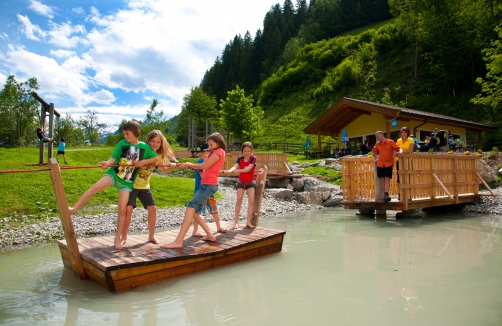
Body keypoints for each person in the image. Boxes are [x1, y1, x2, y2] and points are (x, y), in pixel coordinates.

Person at [69, 121, 159, 250]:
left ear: (135, 133)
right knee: (95, 187)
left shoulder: (144, 147)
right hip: (114, 174)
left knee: (122, 210)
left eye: (127, 133)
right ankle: (74, 209)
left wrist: (144, 161)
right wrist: (107, 163)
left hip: (127, 182)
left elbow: (155, 158)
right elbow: (112, 159)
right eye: (124, 133)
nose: (125, 136)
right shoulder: (122, 144)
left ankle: (117, 239)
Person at [161, 132, 226, 249]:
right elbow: (201, 165)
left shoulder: (219, 152)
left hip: (208, 185)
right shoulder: (213, 154)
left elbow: (205, 167)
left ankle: (178, 241)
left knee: (190, 208)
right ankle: (210, 235)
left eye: (211, 144)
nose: (209, 147)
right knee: (195, 213)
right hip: (206, 185)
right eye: (209, 145)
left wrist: (189, 164)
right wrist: (184, 165)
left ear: (218, 142)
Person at [124, 130, 177, 244]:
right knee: (128, 210)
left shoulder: (158, 156)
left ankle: (151, 236)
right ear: (148, 141)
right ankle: (124, 236)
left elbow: (164, 171)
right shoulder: (140, 151)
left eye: (158, 142)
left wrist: (171, 167)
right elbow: (127, 168)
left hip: (144, 187)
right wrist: (138, 166)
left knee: (153, 209)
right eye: (153, 141)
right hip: (132, 186)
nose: (155, 144)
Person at [191, 142, 227, 237]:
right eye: (207, 150)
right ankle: (195, 231)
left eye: (210, 149)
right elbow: (203, 175)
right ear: (203, 151)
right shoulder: (200, 162)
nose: (209, 151)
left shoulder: (211, 160)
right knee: (197, 211)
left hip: (208, 190)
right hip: (201, 190)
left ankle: (218, 227)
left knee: (214, 209)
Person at [222, 142, 257, 229]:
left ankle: (248, 222)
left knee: (251, 201)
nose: (247, 153)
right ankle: (236, 222)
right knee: (239, 201)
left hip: (250, 182)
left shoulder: (253, 159)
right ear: (242, 151)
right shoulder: (239, 159)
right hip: (241, 181)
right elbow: (235, 167)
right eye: (245, 151)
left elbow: (248, 169)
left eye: (249, 151)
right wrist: (231, 170)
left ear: (251, 151)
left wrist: (236, 171)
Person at [372, 131, 402, 202]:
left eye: (378, 136)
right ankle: (384, 194)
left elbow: (398, 148)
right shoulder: (377, 144)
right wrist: (375, 159)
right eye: (376, 136)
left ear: (382, 135)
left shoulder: (390, 142)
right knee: (382, 179)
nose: (377, 137)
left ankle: (386, 193)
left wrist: (400, 151)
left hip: (388, 163)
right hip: (380, 163)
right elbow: (374, 150)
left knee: (387, 179)